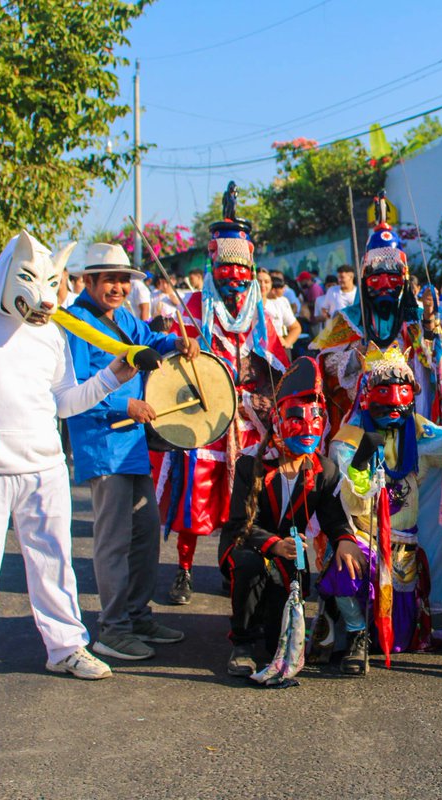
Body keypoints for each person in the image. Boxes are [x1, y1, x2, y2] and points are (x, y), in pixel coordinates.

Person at [0, 231, 136, 703]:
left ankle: (66, 646)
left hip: (44, 470)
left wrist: (112, 377)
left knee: (54, 562)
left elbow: (64, 403)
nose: (42, 301)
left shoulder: (51, 333)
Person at [154, 188, 290, 605]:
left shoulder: (262, 315)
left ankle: (235, 564)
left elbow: (278, 364)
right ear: (212, 265)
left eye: (241, 268)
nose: (234, 276)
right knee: (194, 495)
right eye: (225, 268)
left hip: (248, 421)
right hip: (204, 417)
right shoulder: (192, 305)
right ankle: (184, 569)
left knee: (246, 502)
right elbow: (172, 362)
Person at [64, 243, 198, 661]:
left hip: (134, 443)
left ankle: (137, 615)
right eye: (110, 279)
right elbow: (75, 388)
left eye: (123, 280)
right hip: (102, 441)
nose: (119, 287)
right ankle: (113, 628)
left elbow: (151, 340)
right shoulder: (74, 324)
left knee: (144, 534)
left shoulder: (124, 317)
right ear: (88, 281)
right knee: (114, 539)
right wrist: (126, 405)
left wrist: (177, 340)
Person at [319, 344, 442, 674]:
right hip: (362, 537)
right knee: (344, 569)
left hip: (403, 544)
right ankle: (355, 634)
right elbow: (351, 500)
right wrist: (365, 457)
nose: (393, 400)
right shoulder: (347, 439)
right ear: (366, 394)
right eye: (383, 390)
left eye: (401, 390)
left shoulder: (419, 430)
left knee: (395, 642)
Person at [220, 356, 351, 678]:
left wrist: (346, 541)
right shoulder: (252, 465)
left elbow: (333, 518)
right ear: (278, 421)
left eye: (315, 419)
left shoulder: (324, 470)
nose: (307, 428)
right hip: (248, 546)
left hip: (291, 554)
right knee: (250, 567)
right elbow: (240, 525)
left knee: (279, 628)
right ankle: (241, 643)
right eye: (296, 418)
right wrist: (274, 545)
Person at [312, 193, 442, 433]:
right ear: (365, 278)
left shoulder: (416, 316)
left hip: (413, 413)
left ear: (404, 278)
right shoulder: (348, 319)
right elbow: (326, 364)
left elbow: (436, 361)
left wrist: (429, 321)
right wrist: (356, 358)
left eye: (393, 276)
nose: (385, 284)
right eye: (377, 276)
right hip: (364, 416)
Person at [256, 268, 301, 350]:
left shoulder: (279, 303)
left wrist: (286, 342)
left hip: (277, 354)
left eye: (266, 282)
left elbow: (296, 327)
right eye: (258, 281)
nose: (262, 285)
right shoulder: (246, 305)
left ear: (271, 284)